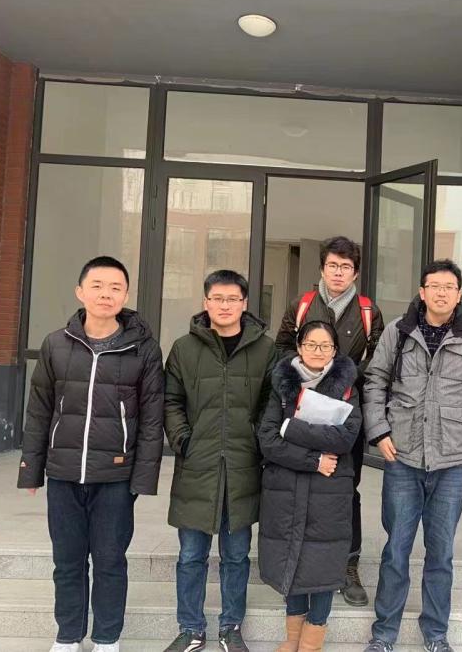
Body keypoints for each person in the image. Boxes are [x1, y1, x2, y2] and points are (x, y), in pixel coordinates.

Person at [17, 255, 164, 652]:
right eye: (97, 286)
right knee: (67, 561)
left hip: (115, 477)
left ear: (126, 296)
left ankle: (106, 638)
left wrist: (143, 477)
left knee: (110, 561)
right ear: (80, 292)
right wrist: (31, 470)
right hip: (64, 473)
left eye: (115, 288)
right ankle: (68, 636)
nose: (106, 294)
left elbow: (152, 418)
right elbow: (39, 410)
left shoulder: (143, 350)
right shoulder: (56, 344)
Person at [361, 259, 462, 652]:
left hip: (452, 462)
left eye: (449, 287)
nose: (441, 293)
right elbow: (375, 381)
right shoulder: (398, 332)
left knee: (441, 553)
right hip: (403, 457)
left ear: (458, 294)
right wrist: (378, 430)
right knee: (396, 550)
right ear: (422, 292)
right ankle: (384, 634)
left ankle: (435, 633)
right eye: (434, 286)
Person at [163, 270, 278, 652]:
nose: (224, 305)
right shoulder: (184, 348)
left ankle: (231, 627)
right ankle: (191, 628)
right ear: (205, 302)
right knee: (190, 555)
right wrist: (184, 441)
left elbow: (272, 402)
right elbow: (171, 401)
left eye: (232, 299)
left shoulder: (265, 349)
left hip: (243, 467)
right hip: (197, 465)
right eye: (217, 298)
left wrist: (258, 440)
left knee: (236, 555)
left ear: (244, 303)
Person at [275, 235, 383, 606]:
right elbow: (281, 348)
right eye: (333, 265)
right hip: (303, 408)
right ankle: (299, 562)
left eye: (346, 267)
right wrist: (307, 376)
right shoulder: (303, 305)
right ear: (322, 268)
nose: (338, 272)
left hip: (346, 411)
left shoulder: (368, 311)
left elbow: (379, 358)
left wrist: (343, 377)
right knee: (301, 483)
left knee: (345, 488)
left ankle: (348, 564)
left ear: (355, 273)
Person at [257, 320, 362, 652]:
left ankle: (311, 643)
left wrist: (291, 428)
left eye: (325, 346)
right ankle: (292, 639)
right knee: (292, 558)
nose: (318, 351)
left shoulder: (348, 388)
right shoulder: (281, 385)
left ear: (334, 350)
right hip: (286, 487)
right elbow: (268, 440)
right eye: (311, 344)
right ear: (299, 347)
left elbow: (345, 438)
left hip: (330, 491)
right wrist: (314, 459)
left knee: (323, 562)